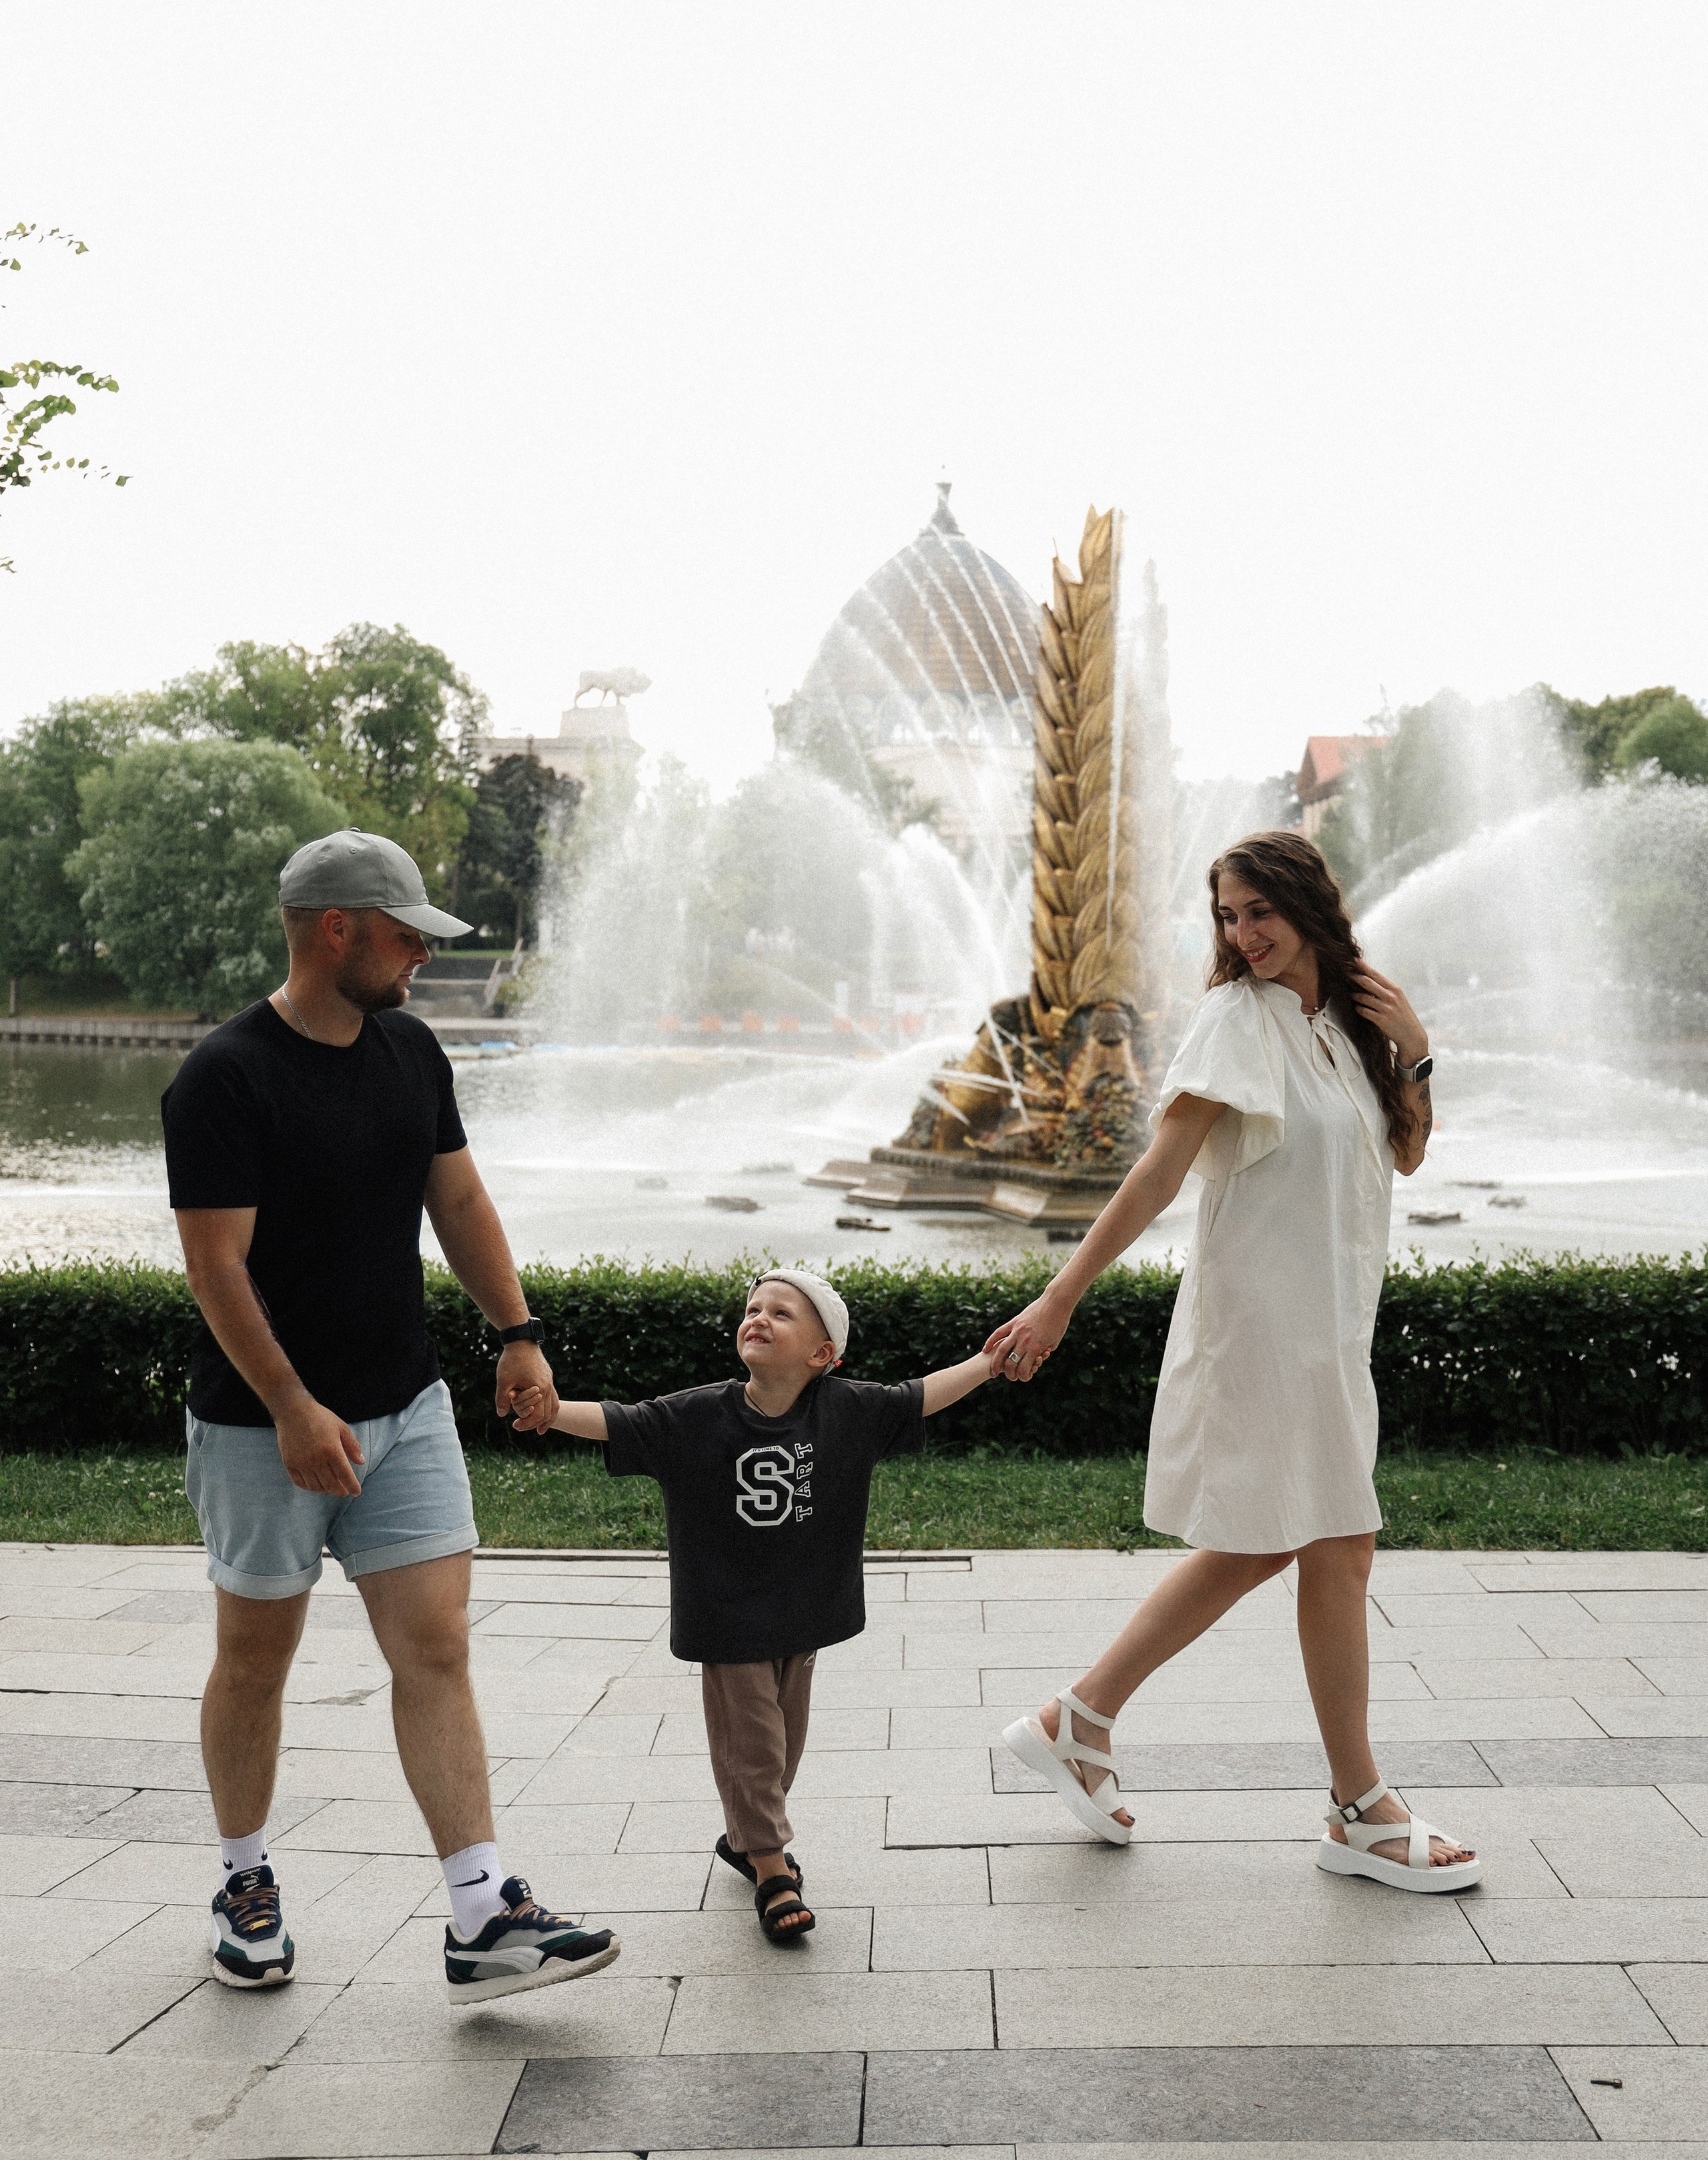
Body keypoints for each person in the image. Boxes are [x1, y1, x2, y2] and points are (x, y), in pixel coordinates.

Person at [163, 825, 622, 2000]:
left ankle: (482, 1913)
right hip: (261, 1426)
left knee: (436, 1645)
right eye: (408, 934)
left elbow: (457, 1196)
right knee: (255, 1659)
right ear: (339, 929)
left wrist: (517, 1334)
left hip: (408, 1409)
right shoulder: (224, 1077)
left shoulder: (412, 1053)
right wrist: (293, 1408)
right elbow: (218, 1269)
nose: (421, 954)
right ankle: (243, 1876)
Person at [985, 830, 1480, 1893]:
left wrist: (1418, 1054)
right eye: (1226, 915)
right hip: (1261, 1328)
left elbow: (1403, 1150)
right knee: (1327, 1543)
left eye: (1258, 911)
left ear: (1308, 906)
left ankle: (1075, 1720)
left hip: (1331, 1332)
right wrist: (1059, 1299)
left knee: (1290, 1544)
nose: (1242, 934)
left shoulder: (1345, 1023)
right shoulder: (1233, 1022)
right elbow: (1158, 1174)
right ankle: (1357, 1806)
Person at [512, 1266, 994, 1941]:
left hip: (803, 1611)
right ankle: (772, 1870)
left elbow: (918, 1399)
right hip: (727, 1613)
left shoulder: (847, 1409)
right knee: (755, 1747)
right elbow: (625, 1422)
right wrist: (553, 1412)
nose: (759, 1318)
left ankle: (745, 1839)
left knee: (784, 1746)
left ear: (823, 1355)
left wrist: (988, 1361)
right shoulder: (698, 1414)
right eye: (753, 1308)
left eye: (782, 1314)